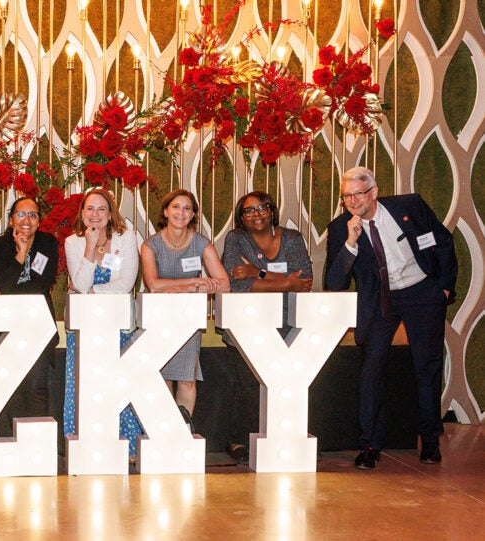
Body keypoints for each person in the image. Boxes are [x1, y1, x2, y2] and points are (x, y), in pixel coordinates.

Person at [324, 166, 456, 469]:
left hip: (422, 292)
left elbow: (443, 241)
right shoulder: (341, 227)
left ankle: (430, 440)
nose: (353, 201)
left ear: (373, 192)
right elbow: (334, 281)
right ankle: (370, 444)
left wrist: (444, 288)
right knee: (371, 370)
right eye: (346, 197)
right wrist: (351, 243)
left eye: (358, 194)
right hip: (380, 300)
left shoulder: (409, 207)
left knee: (427, 366)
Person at [219, 190, 313, 463]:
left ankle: (284, 438)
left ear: (272, 211)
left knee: (286, 384)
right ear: (241, 216)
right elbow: (237, 284)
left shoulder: (293, 238)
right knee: (248, 386)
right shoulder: (236, 239)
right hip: (247, 324)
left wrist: (258, 273)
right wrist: (285, 282)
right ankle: (239, 439)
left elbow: (305, 280)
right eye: (249, 210)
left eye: (262, 208)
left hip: (289, 322)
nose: (257, 213)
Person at [140, 189, 229, 432]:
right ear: (166, 211)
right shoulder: (151, 245)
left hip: (189, 320)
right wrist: (192, 285)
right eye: (176, 207)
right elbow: (154, 285)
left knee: (187, 379)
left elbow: (224, 283)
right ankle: (163, 431)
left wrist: (182, 287)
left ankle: (182, 432)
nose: (181, 212)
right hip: (158, 320)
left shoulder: (200, 243)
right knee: (163, 378)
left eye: (187, 208)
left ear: (193, 215)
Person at [62, 188, 141, 456]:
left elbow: (127, 282)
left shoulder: (126, 237)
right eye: (89, 209)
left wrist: (93, 294)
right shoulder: (73, 242)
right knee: (84, 385)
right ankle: (87, 447)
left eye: (101, 209)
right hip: (84, 328)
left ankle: (126, 447)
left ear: (110, 214)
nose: (95, 214)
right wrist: (89, 248)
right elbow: (81, 283)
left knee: (117, 385)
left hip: (116, 324)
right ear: (82, 213)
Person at [0, 196, 59, 437]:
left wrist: (8, 286)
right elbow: (3, 283)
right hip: (7, 326)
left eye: (33, 215)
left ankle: (37, 443)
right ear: (10, 219)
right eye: (21, 214)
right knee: (11, 387)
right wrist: (22, 252)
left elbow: (41, 284)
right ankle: (14, 443)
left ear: (39, 221)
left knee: (37, 386)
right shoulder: (0, 245)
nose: (27, 219)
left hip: (38, 326)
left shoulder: (48, 244)